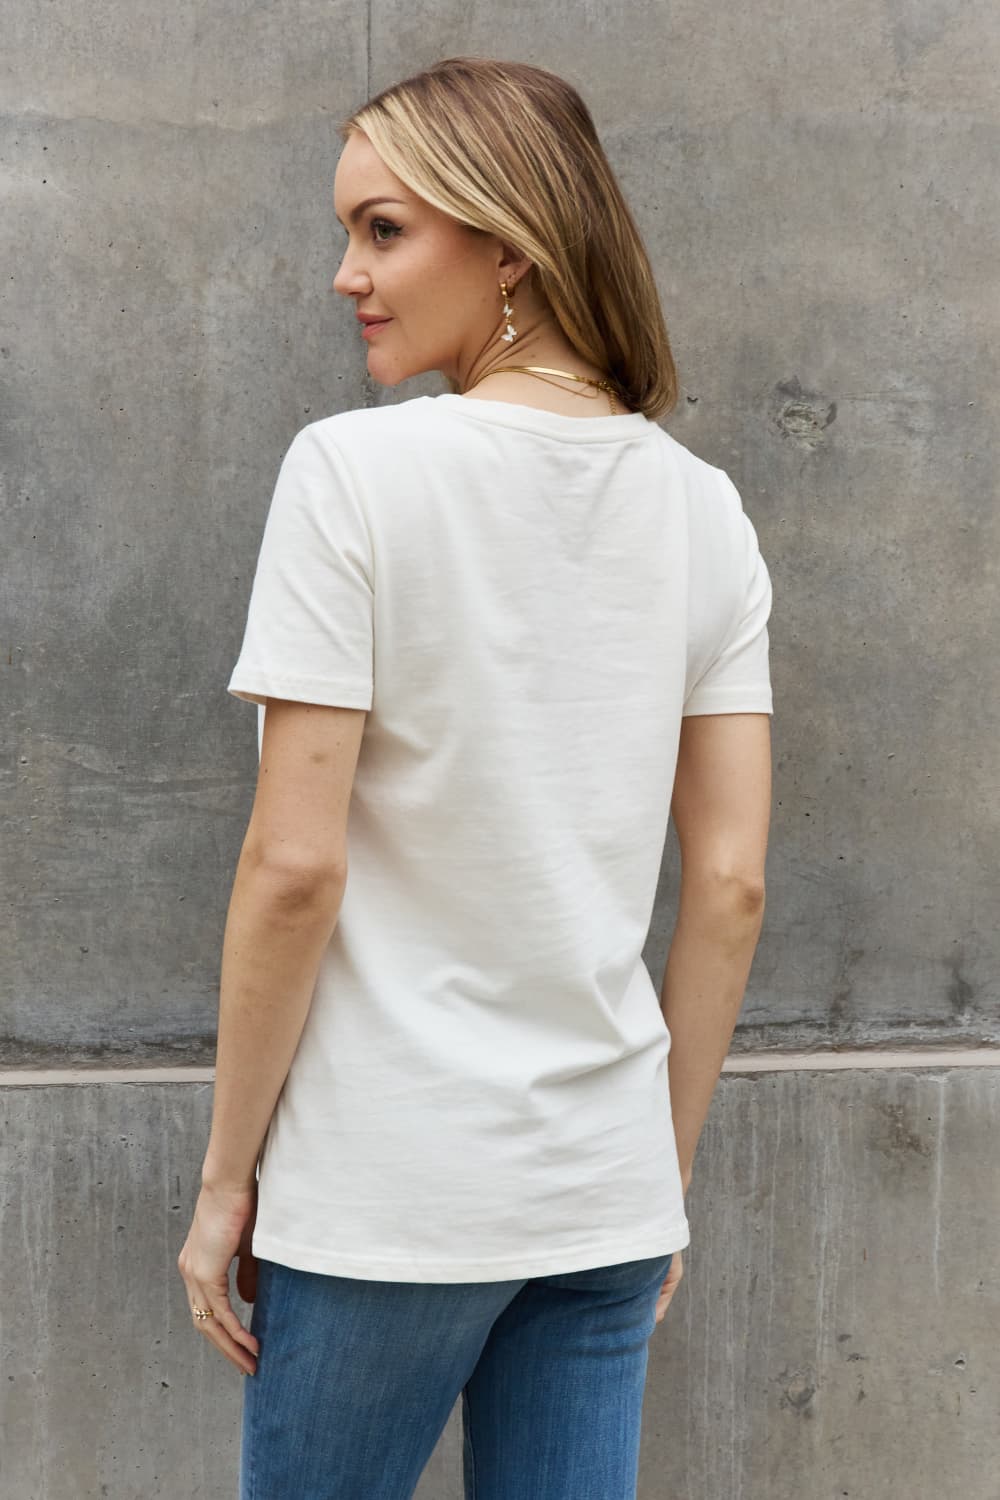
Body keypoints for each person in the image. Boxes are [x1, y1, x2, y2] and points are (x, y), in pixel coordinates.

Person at [177, 55, 773, 1500]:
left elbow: (295, 866)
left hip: (390, 1192)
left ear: (511, 242)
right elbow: (730, 883)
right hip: (604, 1194)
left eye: (383, 230)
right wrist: (657, 1176)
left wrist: (224, 1183)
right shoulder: (704, 510)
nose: (346, 274)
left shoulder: (353, 474)